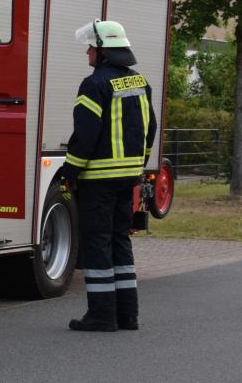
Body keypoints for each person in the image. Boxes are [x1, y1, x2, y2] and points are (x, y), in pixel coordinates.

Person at [62, 19, 157, 332]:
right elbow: (150, 129)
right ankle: (128, 315)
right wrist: (138, 164)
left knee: (97, 243)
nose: (87, 52)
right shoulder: (140, 83)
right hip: (128, 178)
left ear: (103, 52)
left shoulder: (94, 84)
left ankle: (102, 315)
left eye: (91, 47)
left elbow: (86, 135)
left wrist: (70, 171)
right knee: (120, 241)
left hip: (98, 181)